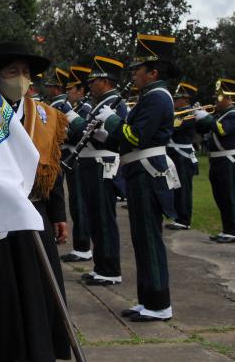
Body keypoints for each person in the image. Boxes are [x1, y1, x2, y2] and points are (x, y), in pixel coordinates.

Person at [0, 42, 71, 361]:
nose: (20, 78)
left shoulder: (45, 116)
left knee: (39, 293)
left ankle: (39, 349)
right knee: (1, 296)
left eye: (25, 72)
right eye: (12, 72)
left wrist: (59, 213)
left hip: (36, 214)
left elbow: (53, 168)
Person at [93, 34, 178, 321]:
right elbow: (127, 139)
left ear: (153, 72)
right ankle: (148, 300)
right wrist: (109, 133)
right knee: (141, 239)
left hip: (148, 173)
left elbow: (135, 135)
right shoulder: (150, 97)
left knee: (150, 239)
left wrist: (113, 121)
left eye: (138, 70)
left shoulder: (157, 98)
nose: (134, 75)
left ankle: (159, 304)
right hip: (139, 171)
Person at [65, 56, 128, 285]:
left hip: (103, 164)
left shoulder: (115, 103)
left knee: (103, 218)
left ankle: (110, 270)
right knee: (95, 217)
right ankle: (101, 266)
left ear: (106, 81)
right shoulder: (104, 102)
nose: (89, 85)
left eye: (94, 81)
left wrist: (73, 119)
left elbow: (115, 136)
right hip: (91, 163)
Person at [195, 78, 235, 243]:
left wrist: (207, 119)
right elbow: (203, 130)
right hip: (217, 161)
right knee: (220, 196)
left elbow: (221, 130)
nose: (215, 100)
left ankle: (232, 231)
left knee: (228, 196)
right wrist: (198, 117)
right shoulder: (219, 115)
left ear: (228, 99)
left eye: (219, 97)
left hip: (227, 160)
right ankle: (226, 229)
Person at [59, 65, 93, 262]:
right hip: (75, 161)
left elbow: (83, 134)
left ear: (81, 91)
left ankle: (83, 247)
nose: (67, 92)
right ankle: (80, 245)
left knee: (80, 204)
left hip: (81, 160)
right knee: (75, 202)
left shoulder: (85, 109)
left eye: (71, 89)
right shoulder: (77, 108)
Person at [165, 81, 199, 231]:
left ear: (186, 99)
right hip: (174, 154)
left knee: (183, 189)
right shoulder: (179, 113)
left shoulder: (189, 114)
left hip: (182, 155)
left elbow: (173, 127)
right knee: (176, 187)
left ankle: (184, 220)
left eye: (177, 99)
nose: (174, 101)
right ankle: (178, 216)